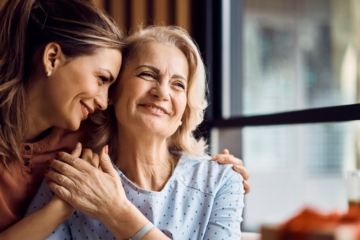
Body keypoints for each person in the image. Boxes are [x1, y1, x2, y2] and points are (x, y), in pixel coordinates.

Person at [0, 0, 248, 239]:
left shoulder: (217, 181)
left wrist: (116, 211)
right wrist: (63, 207)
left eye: (178, 85)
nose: (162, 92)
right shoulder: (74, 169)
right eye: (147, 74)